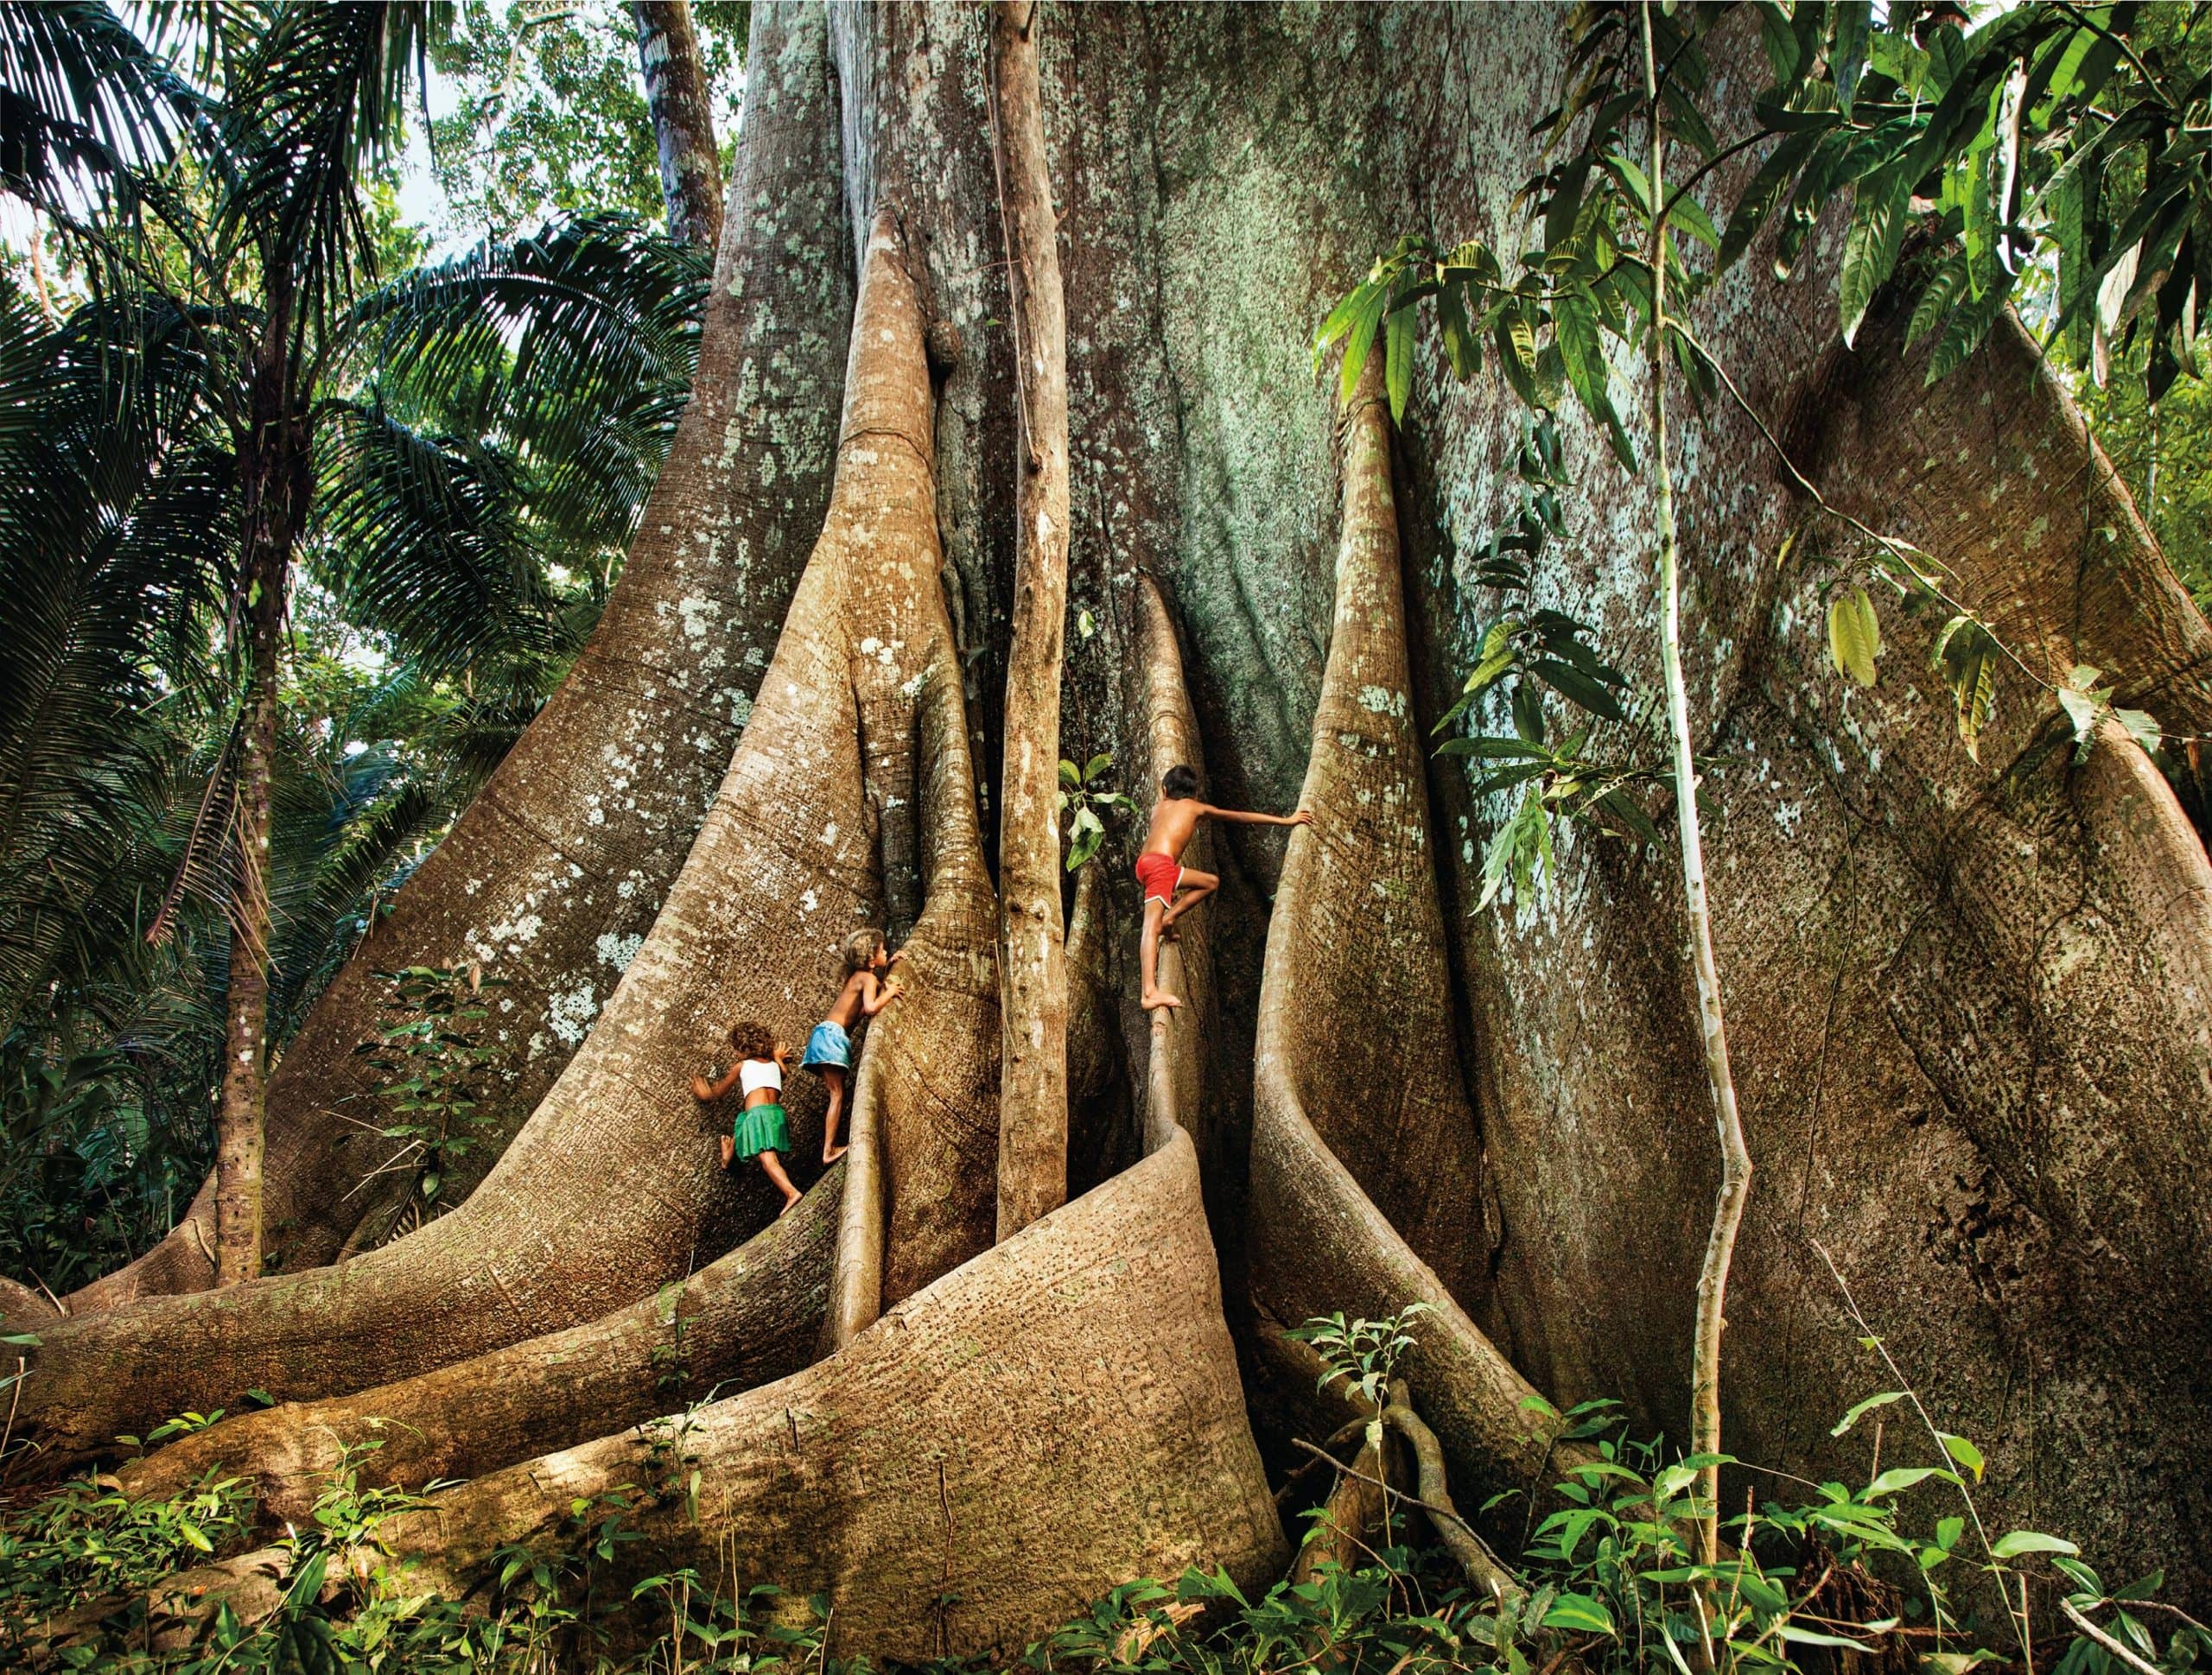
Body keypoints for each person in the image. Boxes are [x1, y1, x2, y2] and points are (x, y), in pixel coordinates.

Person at [1136, 764, 1313, 1011]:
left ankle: (1170, 919)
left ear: (1164, 790)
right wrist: (1286, 821)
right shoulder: (1196, 807)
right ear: (1195, 794)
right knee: (1150, 928)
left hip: (1146, 865)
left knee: (1210, 882)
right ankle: (1149, 993)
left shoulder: (1158, 808)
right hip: (1161, 868)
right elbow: (1240, 817)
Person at [804, 928, 906, 1164]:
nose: (887, 951)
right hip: (831, 1037)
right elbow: (871, 1008)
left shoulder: (860, 977)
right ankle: (828, 1150)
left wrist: (889, 967)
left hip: (825, 1035)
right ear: (871, 961)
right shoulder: (867, 978)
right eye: (883, 951)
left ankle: (829, 1148)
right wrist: (889, 992)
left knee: (837, 1093)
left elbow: (861, 1009)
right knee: (837, 1094)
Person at [694, 1022, 801, 1214]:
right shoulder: (774, 1066)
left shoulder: (742, 1066)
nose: (735, 1054)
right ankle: (730, 1155)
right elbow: (784, 1074)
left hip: (757, 1116)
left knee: (768, 1160)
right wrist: (778, 1057)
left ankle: (791, 1192)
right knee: (742, 1121)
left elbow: (720, 1091)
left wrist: (706, 1094)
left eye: (736, 1050)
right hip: (775, 1115)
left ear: (744, 1049)